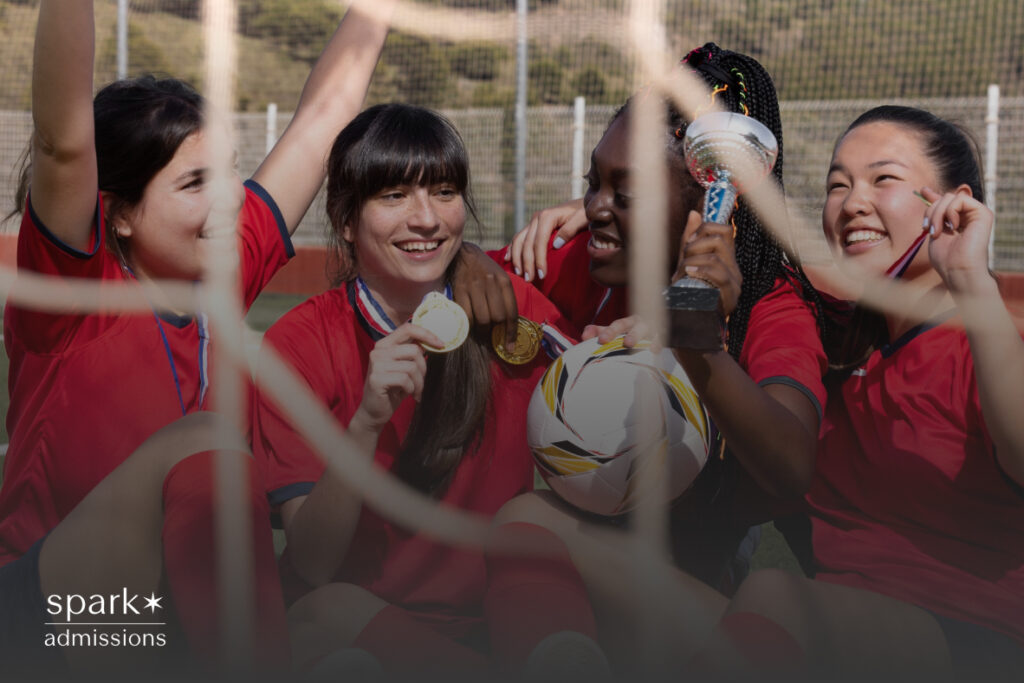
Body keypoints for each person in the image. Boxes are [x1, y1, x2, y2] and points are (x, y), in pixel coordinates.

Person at [0, 1, 515, 675]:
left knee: (322, 621)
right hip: (59, 625)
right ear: (120, 214)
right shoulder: (73, 293)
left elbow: (325, 118)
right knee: (206, 444)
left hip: (161, 626)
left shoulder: (221, 274)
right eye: (194, 182)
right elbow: (63, 143)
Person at [251, 103, 605, 681]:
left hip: (501, 615)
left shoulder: (511, 308)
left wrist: (620, 346)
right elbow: (312, 563)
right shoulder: (297, 345)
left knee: (535, 524)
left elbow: (607, 398)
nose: (426, 219)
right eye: (393, 196)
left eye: (444, 192)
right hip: (354, 619)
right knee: (329, 613)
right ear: (344, 219)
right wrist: (366, 422)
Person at [493, 43, 831, 590]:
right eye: (592, 185)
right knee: (525, 525)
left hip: (691, 587)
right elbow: (467, 274)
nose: (594, 208)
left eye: (625, 193)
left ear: (710, 200)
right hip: (602, 555)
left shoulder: (771, 304)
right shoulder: (591, 256)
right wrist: (465, 265)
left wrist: (697, 341)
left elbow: (791, 469)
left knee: (527, 524)